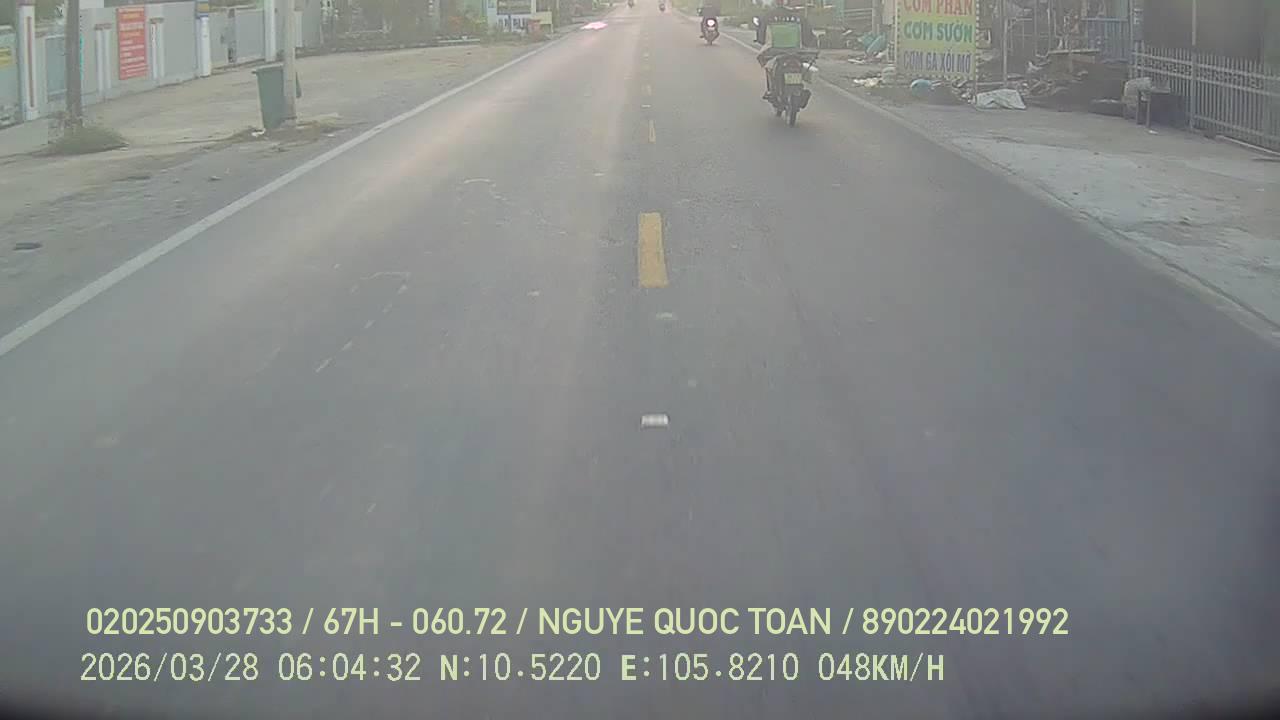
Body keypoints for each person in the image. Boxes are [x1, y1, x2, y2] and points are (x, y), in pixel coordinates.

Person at [753, 0, 818, 100]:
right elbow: (808, 37)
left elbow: (761, 36)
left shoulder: (769, 16)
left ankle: (771, 90)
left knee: (765, 63)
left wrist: (761, 40)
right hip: (797, 51)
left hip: (774, 51)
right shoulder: (799, 17)